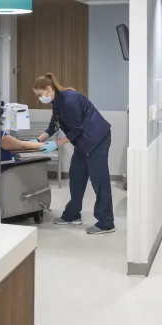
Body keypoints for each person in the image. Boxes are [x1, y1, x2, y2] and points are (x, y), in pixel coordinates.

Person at [33, 73, 115, 234]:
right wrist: (36, 141)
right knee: (76, 176)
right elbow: (53, 126)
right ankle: (72, 214)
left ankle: (106, 223)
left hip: (97, 139)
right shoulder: (57, 102)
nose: (39, 98)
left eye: (40, 94)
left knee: (99, 181)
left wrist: (56, 144)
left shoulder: (70, 99)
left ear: (48, 89)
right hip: (83, 142)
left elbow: (77, 129)